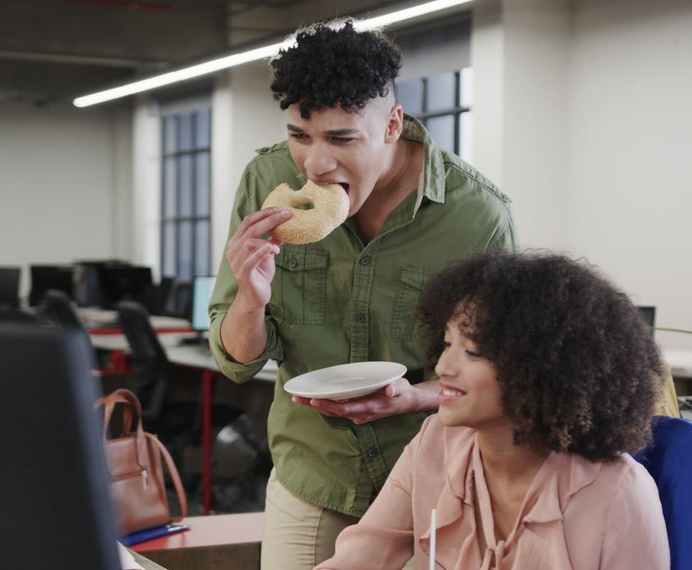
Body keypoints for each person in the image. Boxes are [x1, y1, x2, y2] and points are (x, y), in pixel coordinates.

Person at [207, 20, 518, 569]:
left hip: (438, 480)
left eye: (341, 138)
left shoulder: (477, 215)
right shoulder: (266, 181)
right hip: (315, 475)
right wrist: (249, 301)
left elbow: (502, 369)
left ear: (393, 124)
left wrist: (415, 397)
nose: (315, 165)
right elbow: (237, 361)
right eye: (300, 136)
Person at [317, 252, 671, 569]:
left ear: (538, 366)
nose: (443, 366)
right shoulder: (436, 442)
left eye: (471, 350)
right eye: (446, 343)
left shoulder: (617, 492)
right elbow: (358, 559)